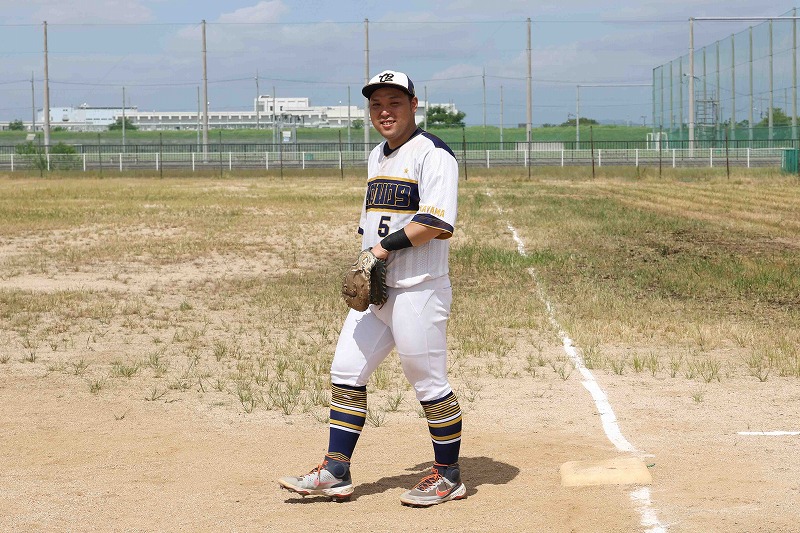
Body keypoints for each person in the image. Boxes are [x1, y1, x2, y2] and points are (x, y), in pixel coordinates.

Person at [278, 70, 464, 507]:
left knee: (427, 382)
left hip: (419, 290)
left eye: (395, 102)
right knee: (346, 371)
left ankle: (448, 475)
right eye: (377, 104)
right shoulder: (376, 155)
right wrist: (366, 260)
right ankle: (335, 471)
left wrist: (379, 251)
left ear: (414, 105)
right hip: (379, 291)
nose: (385, 111)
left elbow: (435, 222)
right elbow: (372, 223)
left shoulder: (434, 154)